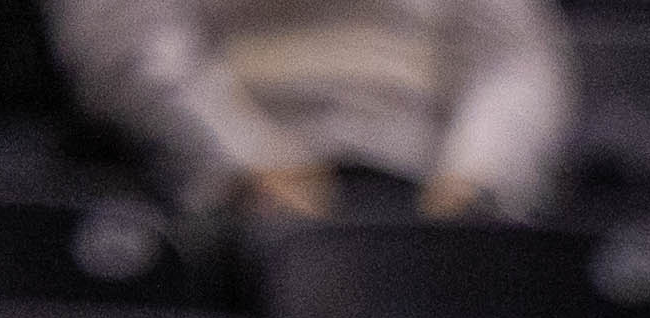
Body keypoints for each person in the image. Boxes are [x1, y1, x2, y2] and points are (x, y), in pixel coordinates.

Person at [53, 0, 565, 207]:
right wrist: (246, 159)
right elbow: (127, 45)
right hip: (229, 191)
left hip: (429, 190)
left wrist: (476, 174)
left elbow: (515, 61)